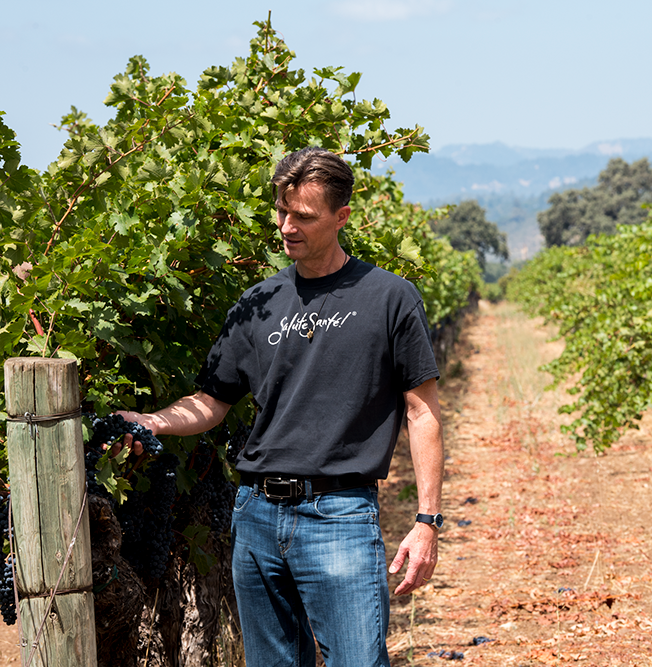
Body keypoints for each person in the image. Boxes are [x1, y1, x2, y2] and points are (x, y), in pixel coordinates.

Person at [117, 146, 444, 666]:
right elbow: (211, 400)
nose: (286, 226)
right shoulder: (257, 303)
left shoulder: (389, 297)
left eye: (304, 217)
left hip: (340, 515)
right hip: (257, 519)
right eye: (281, 211)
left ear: (342, 218)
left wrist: (426, 521)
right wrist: (152, 421)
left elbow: (422, 412)